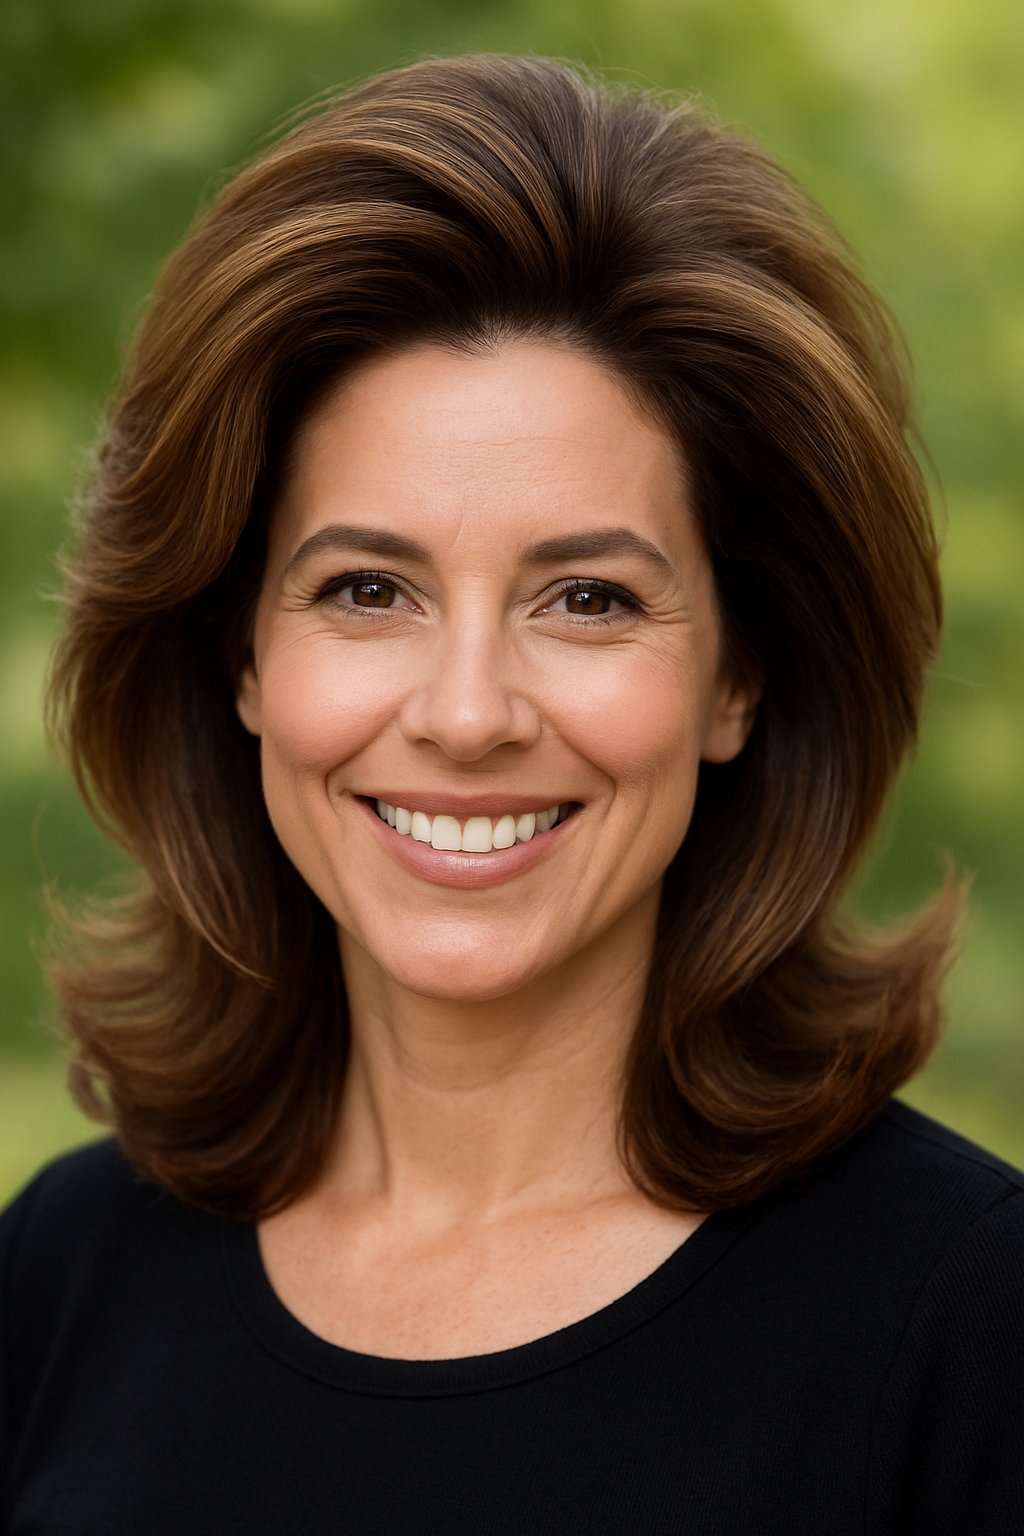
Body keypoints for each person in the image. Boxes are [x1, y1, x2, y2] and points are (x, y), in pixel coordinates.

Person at [1, 52, 1021, 1534]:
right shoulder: (63, 1277)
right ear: (239, 660)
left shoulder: (964, 1321)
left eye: (590, 601)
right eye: (366, 589)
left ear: (742, 677)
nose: (468, 714)